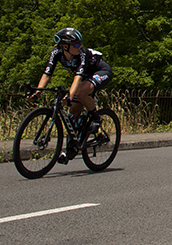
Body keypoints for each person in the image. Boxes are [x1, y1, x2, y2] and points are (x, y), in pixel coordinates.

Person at [33, 27, 113, 163]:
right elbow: (47, 73)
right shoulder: (56, 53)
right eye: (76, 44)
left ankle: (96, 118)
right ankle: (74, 145)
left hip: (101, 71)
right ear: (65, 46)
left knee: (80, 93)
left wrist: (70, 96)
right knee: (74, 111)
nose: (79, 46)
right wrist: (38, 92)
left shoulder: (82, 54)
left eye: (80, 43)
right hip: (84, 77)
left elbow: (77, 77)